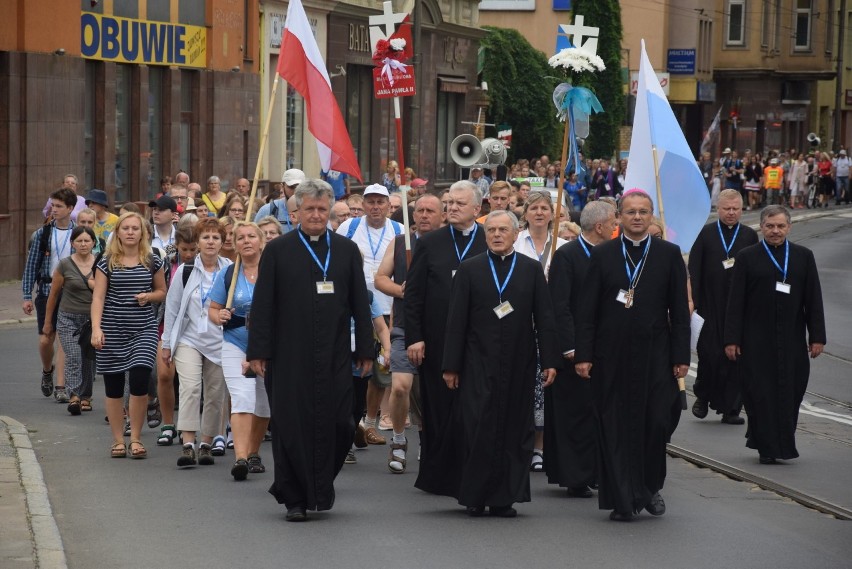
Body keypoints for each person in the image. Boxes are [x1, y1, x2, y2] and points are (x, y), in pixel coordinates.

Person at [246, 179, 374, 521]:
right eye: (309, 209)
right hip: (289, 355)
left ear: (330, 209)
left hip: (334, 353)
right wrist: (258, 351)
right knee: (291, 424)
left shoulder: (346, 250)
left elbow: (361, 304)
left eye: (322, 208)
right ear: (296, 212)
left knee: (340, 422)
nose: (316, 215)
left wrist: (365, 349)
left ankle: (320, 484)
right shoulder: (278, 250)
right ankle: (295, 498)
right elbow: (263, 304)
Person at [574, 189, 690, 521]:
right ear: (619, 218)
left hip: (656, 354)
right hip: (610, 356)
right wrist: (584, 354)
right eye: (631, 212)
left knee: (655, 423)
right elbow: (587, 312)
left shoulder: (669, 255)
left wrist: (681, 356)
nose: (637, 217)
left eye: (643, 211)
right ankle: (622, 498)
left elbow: (679, 312)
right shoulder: (603, 254)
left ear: (652, 216)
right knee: (614, 425)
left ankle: (650, 488)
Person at [442, 210, 558, 517]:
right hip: (477, 362)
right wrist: (450, 366)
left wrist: (550, 360)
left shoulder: (531, 270)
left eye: (502, 230)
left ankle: (505, 497)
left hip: (520, 362)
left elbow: (545, 318)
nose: (495, 235)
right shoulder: (470, 269)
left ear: (515, 232)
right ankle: (475, 496)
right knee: (477, 427)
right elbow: (456, 321)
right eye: (490, 230)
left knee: (514, 430)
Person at [723, 205, 826, 464]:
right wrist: (732, 339)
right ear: (762, 227)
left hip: (791, 339)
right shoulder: (747, 257)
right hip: (756, 341)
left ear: (789, 227)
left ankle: (782, 442)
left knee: (791, 391)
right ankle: (766, 446)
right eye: (770, 226)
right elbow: (735, 301)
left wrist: (817, 337)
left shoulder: (804, 256)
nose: (775, 231)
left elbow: (813, 299)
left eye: (780, 226)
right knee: (760, 393)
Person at [405, 180, 487, 497]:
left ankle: (471, 470)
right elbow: (413, 297)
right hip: (436, 341)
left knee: (473, 408)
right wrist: (415, 337)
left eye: (459, 204)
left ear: (477, 209)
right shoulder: (430, 243)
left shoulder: (488, 239)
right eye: (449, 203)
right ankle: (439, 475)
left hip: (478, 342)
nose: (451, 208)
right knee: (438, 408)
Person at [546, 201, 617, 498]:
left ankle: (598, 470)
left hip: (604, 347)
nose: (616, 227)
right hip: (575, 350)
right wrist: (572, 346)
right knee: (574, 414)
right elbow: (559, 306)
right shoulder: (567, 256)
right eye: (613, 222)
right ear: (599, 227)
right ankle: (575, 474)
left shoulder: (611, 255)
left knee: (599, 412)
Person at [374, 193, 444, 473]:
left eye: (430, 211)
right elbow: (380, 279)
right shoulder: (402, 242)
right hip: (404, 325)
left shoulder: (449, 245)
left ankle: (431, 442)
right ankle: (399, 440)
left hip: (438, 329)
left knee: (431, 392)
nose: (424, 215)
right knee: (401, 386)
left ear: (442, 215)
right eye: (420, 211)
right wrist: (404, 290)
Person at [91, 212, 168, 459]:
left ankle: (135, 437)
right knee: (113, 387)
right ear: (119, 232)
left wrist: (149, 297)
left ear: (143, 233)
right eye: (126, 228)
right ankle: (117, 440)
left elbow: (161, 291)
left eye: (136, 228)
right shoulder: (106, 261)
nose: (131, 232)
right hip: (112, 329)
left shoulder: (152, 260)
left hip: (143, 329)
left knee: (139, 379)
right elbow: (98, 297)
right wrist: (96, 328)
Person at [336, 184, 403, 445]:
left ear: (388, 205)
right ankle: (352, 423)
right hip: (353, 308)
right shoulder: (349, 228)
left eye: (380, 202)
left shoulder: (399, 231)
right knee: (353, 372)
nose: (375, 207)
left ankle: (370, 423)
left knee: (379, 372)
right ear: (363, 204)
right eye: (370, 202)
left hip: (388, 307)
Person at [163, 218, 232, 468]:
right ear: (198, 243)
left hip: (220, 340)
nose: (211, 241)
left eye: (216, 237)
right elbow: (171, 309)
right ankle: (188, 443)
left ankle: (206, 443)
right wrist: (166, 343)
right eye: (206, 237)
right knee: (191, 388)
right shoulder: (186, 271)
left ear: (223, 242)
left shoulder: (231, 271)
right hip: (189, 338)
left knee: (215, 393)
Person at [689, 189, 760, 424]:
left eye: (736, 209)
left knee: (736, 359)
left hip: (738, 308)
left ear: (742, 209)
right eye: (726, 209)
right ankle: (703, 396)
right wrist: (694, 304)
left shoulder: (749, 235)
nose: (731, 213)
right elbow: (695, 271)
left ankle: (731, 409)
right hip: (710, 306)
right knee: (709, 356)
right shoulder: (706, 234)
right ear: (718, 209)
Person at [207, 222, 269, 479]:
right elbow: (213, 308)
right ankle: (241, 457)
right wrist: (218, 315)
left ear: (261, 241)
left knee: (264, 404)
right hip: (235, 342)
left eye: (251, 236)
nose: (246, 241)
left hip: (267, 346)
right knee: (243, 397)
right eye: (240, 237)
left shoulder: (274, 271)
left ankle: (254, 451)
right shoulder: (229, 274)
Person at [513, 190, 567, 471]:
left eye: (545, 208)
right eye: (534, 208)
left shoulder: (562, 245)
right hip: (520, 322)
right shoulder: (515, 241)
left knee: (544, 387)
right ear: (526, 213)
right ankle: (519, 442)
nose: (539, 213)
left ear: (552, 213)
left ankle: (540, 447)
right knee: (522, 385)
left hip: (549, 324)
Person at [23, 187, 78, 401]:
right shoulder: (42, 234)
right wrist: (27, 295)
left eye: (59, 206)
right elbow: (31, 266)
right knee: (47, 339)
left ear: (70, 208)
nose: (54, 210)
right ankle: (47, 370)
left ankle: (61, 386)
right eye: (52, 206)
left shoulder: (78, 234)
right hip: (46, 290)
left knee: (65, 339)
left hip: (71, 293)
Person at [42, 226, 97, 415]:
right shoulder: (65, 264)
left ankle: (86, 396)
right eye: (79, 241)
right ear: (72, 243)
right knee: (73, 355)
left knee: (88, 359)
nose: (83, 244)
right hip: (68, 318)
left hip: (91, 319)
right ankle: (74, 395)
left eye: (87, 240)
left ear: (93, 243)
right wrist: (48, 322)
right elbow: (54, 295)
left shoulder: (100, 263)